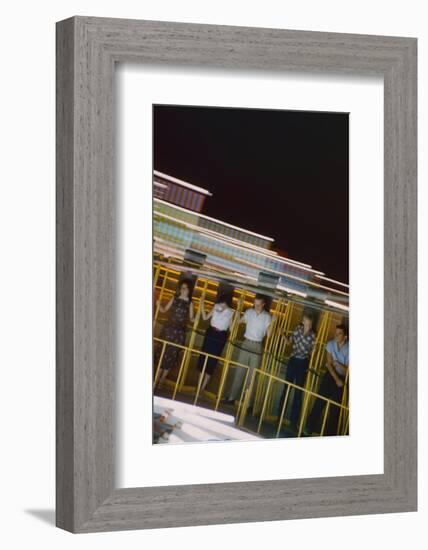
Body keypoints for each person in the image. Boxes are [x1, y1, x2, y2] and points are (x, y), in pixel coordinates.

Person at [222, 294, 272, 406]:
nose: (256, 306)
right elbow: (238, 322)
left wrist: (273, 323)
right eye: (255, 304)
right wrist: (239, 308)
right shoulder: (249, 312)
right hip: (246, 343)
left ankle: (248, 403)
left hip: (257, 345)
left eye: (259, 305)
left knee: (252, 375)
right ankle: (231, 398)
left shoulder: (267, 317)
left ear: (263, 304)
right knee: (239, 371)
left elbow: (269, 335)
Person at [306, 324, 349, 435]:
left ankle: (329, 436)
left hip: (343, 378)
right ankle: (308, 429)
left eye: (339, 333)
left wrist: (339, 364)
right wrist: (337, 379)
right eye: (336, 332)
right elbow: (329, 365)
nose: (336, 335)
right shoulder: (330, 344)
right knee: (319, 402)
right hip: (331, 376)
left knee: (335, 410)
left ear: (345, 337)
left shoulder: (350, 349)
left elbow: (348, 371)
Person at [278, 311, 316, 430]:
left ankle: (293, 422)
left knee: (298, 393)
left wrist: (313, 352)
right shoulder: (298, 329)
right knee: (286, 388)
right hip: (293, 360)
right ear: (303, 321)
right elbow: (289, 342)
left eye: (310, 325)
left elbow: (312, 352)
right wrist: (282, 334)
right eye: (306, 323)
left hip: (302, 362)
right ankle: (280, 416)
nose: (308, 326)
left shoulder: (313, 335)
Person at [154, 279, 195, 388]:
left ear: (189, 290)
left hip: (179, 333)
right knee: (163, 353)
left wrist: (198, 316)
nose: (183, 289)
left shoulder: (190, 303)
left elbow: (191, 319)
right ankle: (156, 379)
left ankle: (161, 380)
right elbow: (164, 310)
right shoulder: (174, 298)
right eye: (182, 287)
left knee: (172, 356)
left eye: (185, 288)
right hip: (168, 329)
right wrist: (158, 303)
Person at [195, 293, 235, 393]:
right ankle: (198, 386)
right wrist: (202, 304)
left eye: (224, 303)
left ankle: (202, 388)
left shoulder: (231, 312)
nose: (222, 305)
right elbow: (205, 317)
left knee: (213, 360)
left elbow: (231, 328)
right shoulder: (216, 306)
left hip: (220, 335)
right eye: (222, 303)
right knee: (203, 357)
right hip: (211, 332)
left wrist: (237, 317)